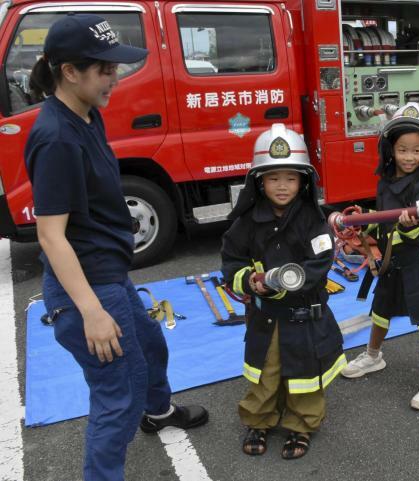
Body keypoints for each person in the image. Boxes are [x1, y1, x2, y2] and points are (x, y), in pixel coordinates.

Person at [24, 14, 208, 481]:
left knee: (150, 346)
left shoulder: (85, 113)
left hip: (108, 272)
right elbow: (50, 235)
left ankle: (160, 411)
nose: (116, 75)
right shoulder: (57, 138)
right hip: (86, 287)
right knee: (116, 398)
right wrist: (90, 311)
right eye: (105, 68)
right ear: (69, 71)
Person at [221, 124, 346, 460]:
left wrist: (284, 281)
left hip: (306, 319)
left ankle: (300, 427)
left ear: (303, 182)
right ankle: (259, 421)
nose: (281, 186)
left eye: (290, 178)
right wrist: (248, 280)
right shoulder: (245, 223)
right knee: (266, 374)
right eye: (273, 177)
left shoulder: (313, 221)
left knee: (307, 377)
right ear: (259, 181)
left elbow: (320, 263)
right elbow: (230, 263)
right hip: (266, 320)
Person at [341, 103, 419, 410]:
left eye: (416, 151)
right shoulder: (385, 180)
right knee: (381, 309)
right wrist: (367, 229)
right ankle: (373, 355)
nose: (409, 157)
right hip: (394, 262)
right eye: (403, 150)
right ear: (391, 149)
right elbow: (383, 219)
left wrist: (410, 226)